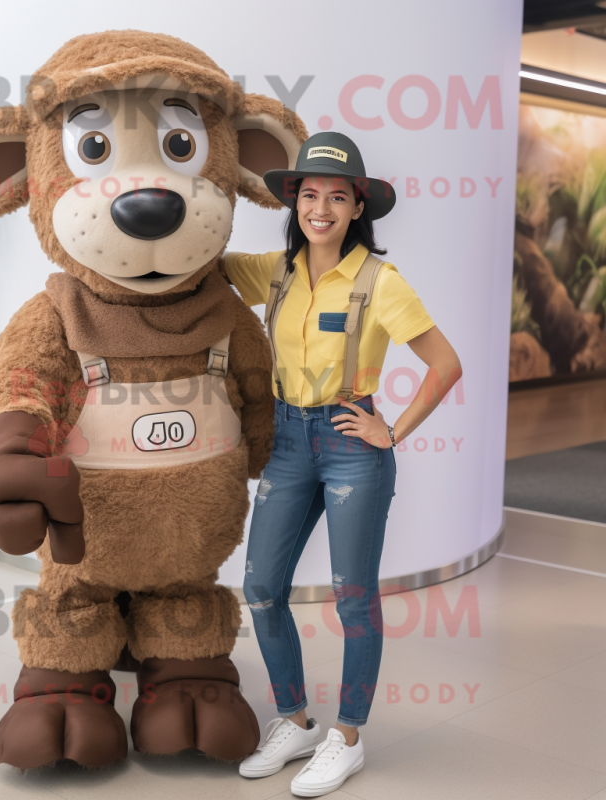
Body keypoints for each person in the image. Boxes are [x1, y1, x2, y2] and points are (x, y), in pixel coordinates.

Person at [225, 132, 463, 797]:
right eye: (309, 195)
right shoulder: (272, 270)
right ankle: (295, 720)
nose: (320, 208)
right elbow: (201, 262)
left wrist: (393, 431)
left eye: (336, 196)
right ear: (294, 203)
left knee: (352, 599)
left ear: (358, 207)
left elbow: (445, 366)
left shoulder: (381, 282)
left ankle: (348, 736)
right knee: (263, 588)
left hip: (351, 445)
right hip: (288, 442)